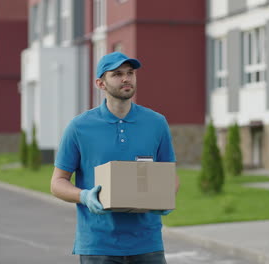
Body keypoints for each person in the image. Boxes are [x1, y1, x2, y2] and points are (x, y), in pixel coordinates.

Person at [50, 51, 180, 264]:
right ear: (100, 84)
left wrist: (165, 196)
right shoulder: (79, 127)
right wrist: (84, 196)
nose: (126, 78)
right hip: (98, 245)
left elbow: (170, 175)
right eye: (117, 74)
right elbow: (57, 182)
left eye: (130, 73)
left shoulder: (156, 123)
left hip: (147, 243)